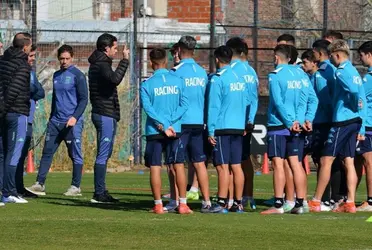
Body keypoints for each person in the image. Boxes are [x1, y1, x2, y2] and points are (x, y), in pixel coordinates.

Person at [309, 40, 365, 213]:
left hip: (343, 120)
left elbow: (355, 93)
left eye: (332, 56)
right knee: (348, 161)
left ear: (337, 55)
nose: (331, 59)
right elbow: (359, 92)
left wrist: (356, 104)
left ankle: (316, 201)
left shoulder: (340, 72)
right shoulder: (354, 70)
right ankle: (350, 202)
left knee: (326, 159)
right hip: (355, 121)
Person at [26, 45, 88, 197]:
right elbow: (55, 99)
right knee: (47, 152)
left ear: (72, 58)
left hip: (71, 123)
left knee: (75, 155)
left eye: (67, 58)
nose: (64, 61)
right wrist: (51, 117)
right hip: (55, 122)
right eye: (61, 58)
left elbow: (84, 100)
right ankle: (40, 184)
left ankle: (75, 186)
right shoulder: (56, 75)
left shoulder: (78, 75)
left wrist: (75, 117)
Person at [140, 48, 191, 214]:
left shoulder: (147, 84)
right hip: (174, 129)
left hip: (155, 130)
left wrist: (162, 124)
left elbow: (148, 108)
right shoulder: (179, 80)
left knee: (155, 167)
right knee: (178, 166)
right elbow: (184, 105)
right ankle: (182, 204)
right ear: (166, 61)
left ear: (151, 63)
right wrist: (169, 123)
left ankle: (158, 205)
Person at [167, 36, 211, 212]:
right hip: (199, 122)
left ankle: (177, 200)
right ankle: (206, 201)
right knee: (199, 163)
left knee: (175, 163)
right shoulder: (201, 72)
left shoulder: (176, 72)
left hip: (181, 123)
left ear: (178, 50)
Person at [261, 45, 307, 215]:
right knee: (296, 163)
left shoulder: (275, 75)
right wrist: (298, 121)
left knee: (278, 164)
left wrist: (288, 122)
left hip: (279, 124)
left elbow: (278, 102)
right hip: (295, 124)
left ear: (276, 58)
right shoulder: (299, 74)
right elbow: (304, 100)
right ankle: (300, 203)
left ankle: (279, 204)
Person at [88, 33, 129, 203]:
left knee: (106, 152)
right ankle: (99, 193)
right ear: (106, 48)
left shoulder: (100, 63)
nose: (117, 50)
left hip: (104, 113)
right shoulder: (101, 64)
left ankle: (101, 190)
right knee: (103, 154)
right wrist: (125, 61)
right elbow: (115, 79)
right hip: (104, 113)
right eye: (114, 47)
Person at [207, 45, 247, 213]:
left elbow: (213, 107)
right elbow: (246, 102)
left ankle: (222, 202)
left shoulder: (218, 79)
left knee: (223, 166)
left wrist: (210, 130)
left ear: (217, 59)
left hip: (223, 127)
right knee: (236, 166)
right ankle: (238, 202)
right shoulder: (239, 78)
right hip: (238, 126)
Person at [312, 39, 348, 210]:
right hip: (329, 119)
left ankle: (327, 198)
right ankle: (334, 197)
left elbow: (325, 98)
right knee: (332, 160)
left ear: (319, 53)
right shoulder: (333, 70)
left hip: (324, 121)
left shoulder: (323, 72)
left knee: (325, 160)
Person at [226, 37, 258, 210]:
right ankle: (248, 197)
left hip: (231, 121)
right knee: (245, 160)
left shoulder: (231, 70)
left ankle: (231, 199)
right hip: (246, 122)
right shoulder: (251, 72)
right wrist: (250, 120)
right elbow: (254, 98)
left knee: (231, 163)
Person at [1, 33, 32, 204]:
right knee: (13, 154)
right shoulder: (22, 65)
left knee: (4, 153)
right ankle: (8, 192)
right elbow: (13, 90)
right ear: (25, 46)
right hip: (16, 112)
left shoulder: (3, 60)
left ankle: (5, 191)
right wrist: (4, 109)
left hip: (5, 112)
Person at [16, 45, 45, 197]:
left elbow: (40, 91)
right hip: (20, 118)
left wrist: (32, 89)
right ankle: (9, 188)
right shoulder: (19, 71)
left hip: (29, 120)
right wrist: (32, 89)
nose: (33, 59)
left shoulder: (32, 73)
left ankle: (18, 187)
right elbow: (29, 89)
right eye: (31, 55)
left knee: (22, 155)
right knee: (14, 154)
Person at [355, 41, 372, 211]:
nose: (360, 59)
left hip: (368, 125)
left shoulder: (368, 79)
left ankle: (370, 201)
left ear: (369, 55)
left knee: (368, 162)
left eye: (361, 55)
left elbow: (359, 100)